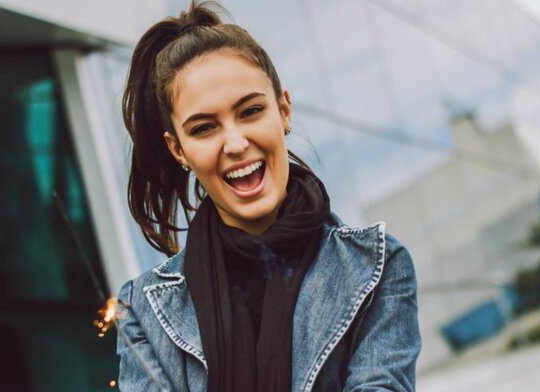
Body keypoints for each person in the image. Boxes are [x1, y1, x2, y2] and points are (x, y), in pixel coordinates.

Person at [116, 1, 421, 391]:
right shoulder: (143, 312)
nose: (236, 142)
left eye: (250, 111)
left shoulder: (376, 269)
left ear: (283, 109)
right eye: (205, 128)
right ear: (178, 150)